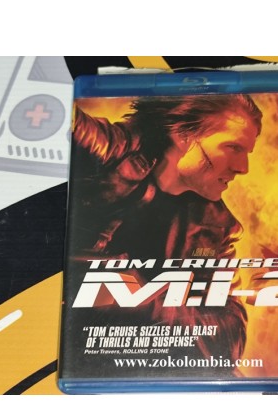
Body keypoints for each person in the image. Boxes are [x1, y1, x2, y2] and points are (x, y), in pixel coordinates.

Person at [67, 94, 263, 368]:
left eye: (246, 152)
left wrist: (136, 298)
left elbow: (228, 339)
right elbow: (54, 121)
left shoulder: (217, 228)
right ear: (183, 136)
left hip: (150, 365)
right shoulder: (106, 150)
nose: (243, 168)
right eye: (233, 147)